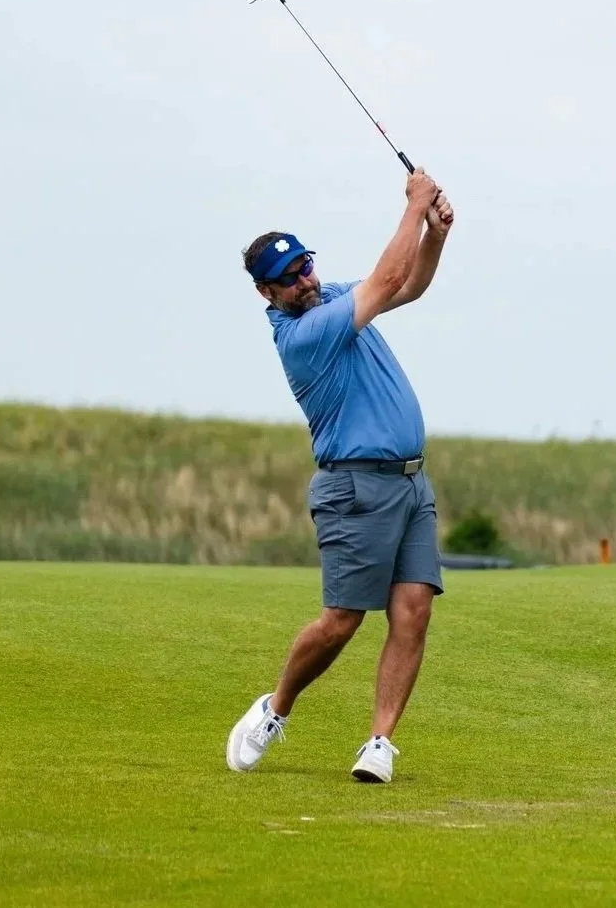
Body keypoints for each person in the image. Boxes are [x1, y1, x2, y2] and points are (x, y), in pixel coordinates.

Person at [226, 167, 454, 784]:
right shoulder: (303, 334)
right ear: (268, 294)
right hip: (355, 487)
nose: (305, 278)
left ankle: (379, 742)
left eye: (305, 264)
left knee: (413, 612)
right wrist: (412, 206)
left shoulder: (329, 299)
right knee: (342, 622)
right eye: (289, 277)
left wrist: (433, 235)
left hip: (410, 484)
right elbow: (384, 278)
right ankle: (276, 708)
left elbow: (405, 285)